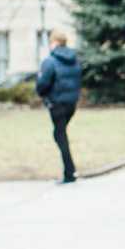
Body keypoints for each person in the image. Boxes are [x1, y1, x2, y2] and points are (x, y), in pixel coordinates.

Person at [35, 31, 82, 184]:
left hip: (57, 103)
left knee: (59, 135)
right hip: (71, 104)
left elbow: (43, 84)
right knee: (60, 134)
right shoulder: (74, 60)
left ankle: (70, 172)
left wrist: (41, 92)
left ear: (54, 42)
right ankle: (70, 170)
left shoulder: (50, 61)